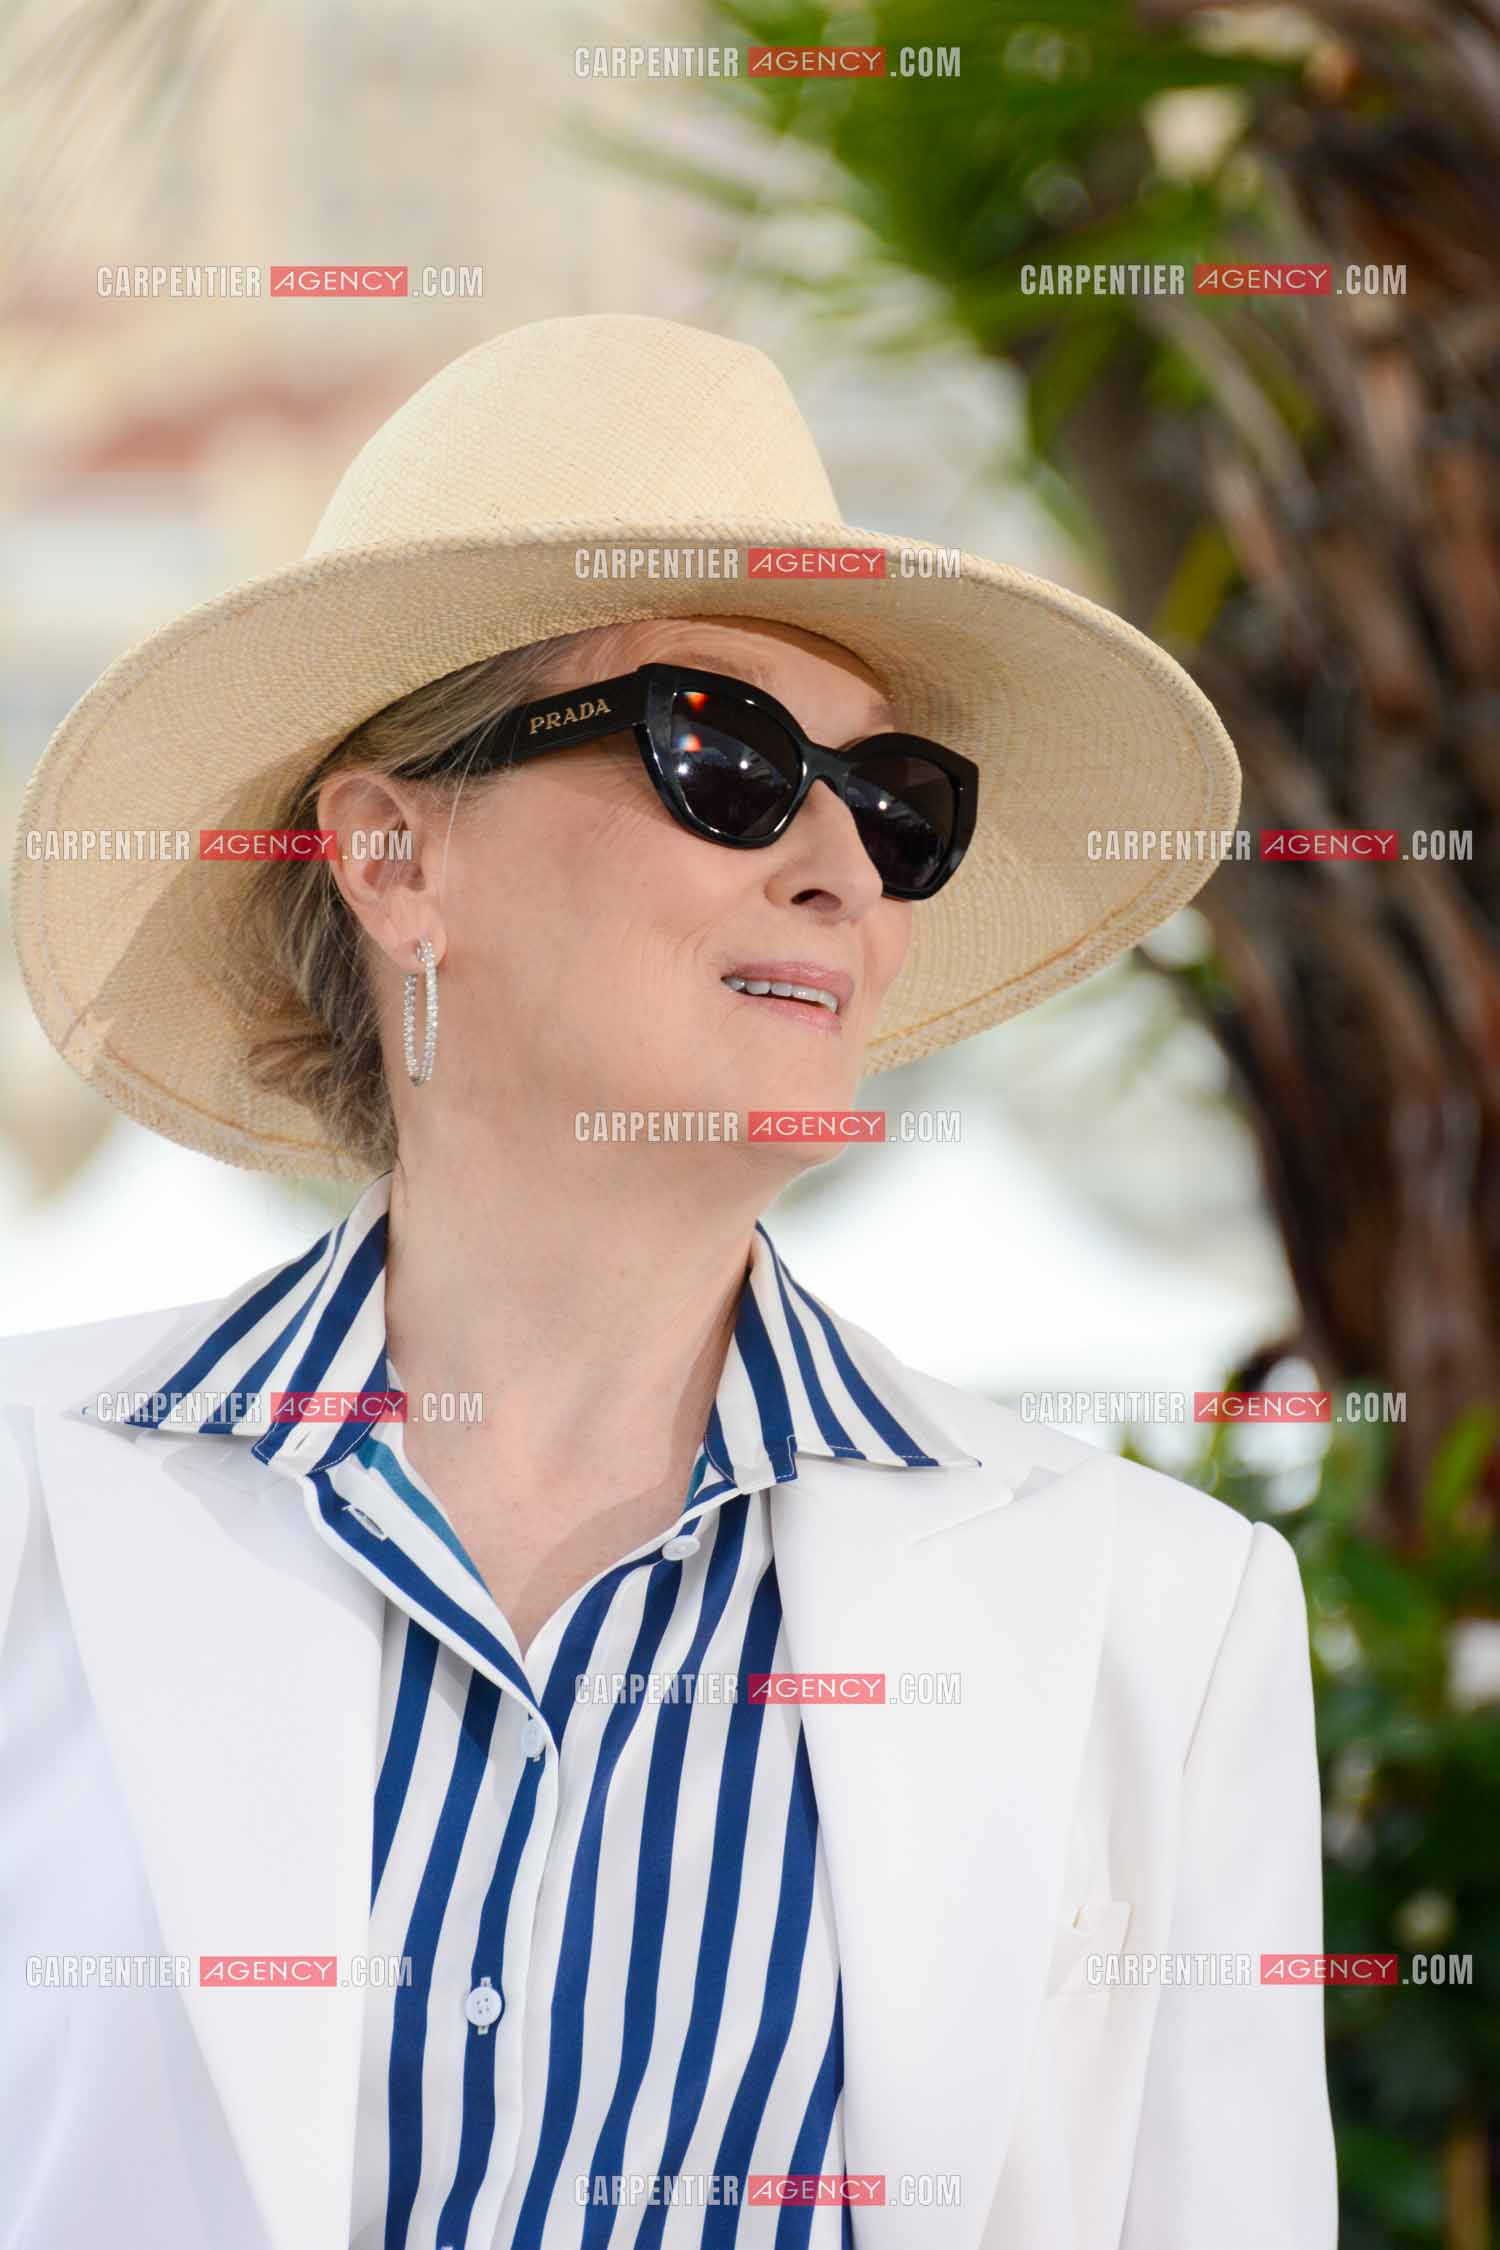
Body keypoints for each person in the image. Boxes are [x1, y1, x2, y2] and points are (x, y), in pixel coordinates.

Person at [1, 314, 1336, 2249]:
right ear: (392, 858)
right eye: (723, 755)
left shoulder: (1159, 1613)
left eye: (897, 804)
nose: (841, 870)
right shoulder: (30, 1507)